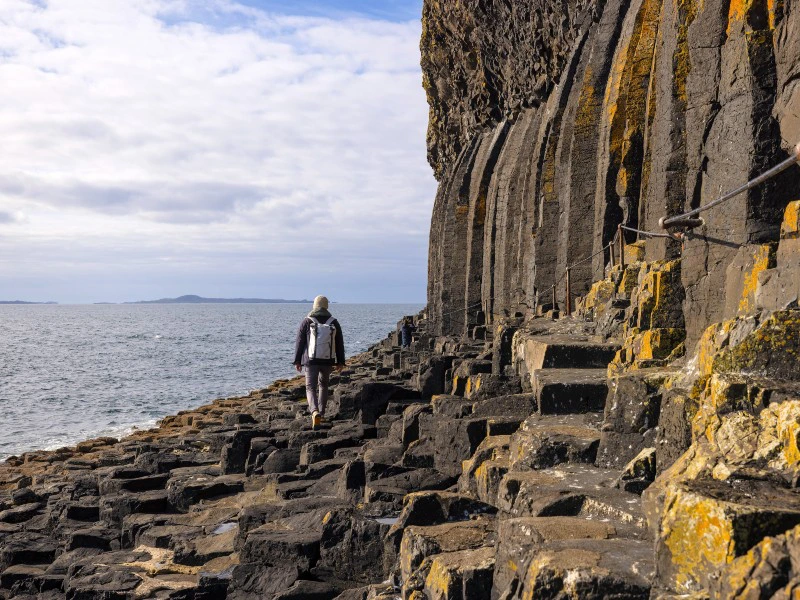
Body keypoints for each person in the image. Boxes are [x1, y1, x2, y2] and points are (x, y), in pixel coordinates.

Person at [293, 295, 345, 429]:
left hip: (311, 361)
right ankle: (321, 413)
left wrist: (297, 360)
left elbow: (300, 342)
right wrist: (340, 361)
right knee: (324, 385)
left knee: (310, 387)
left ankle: (314, 411)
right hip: (327, 360)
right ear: (327, 306)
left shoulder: (307, 321)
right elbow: (339, 343)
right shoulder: (334, 322)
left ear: (314, 306)